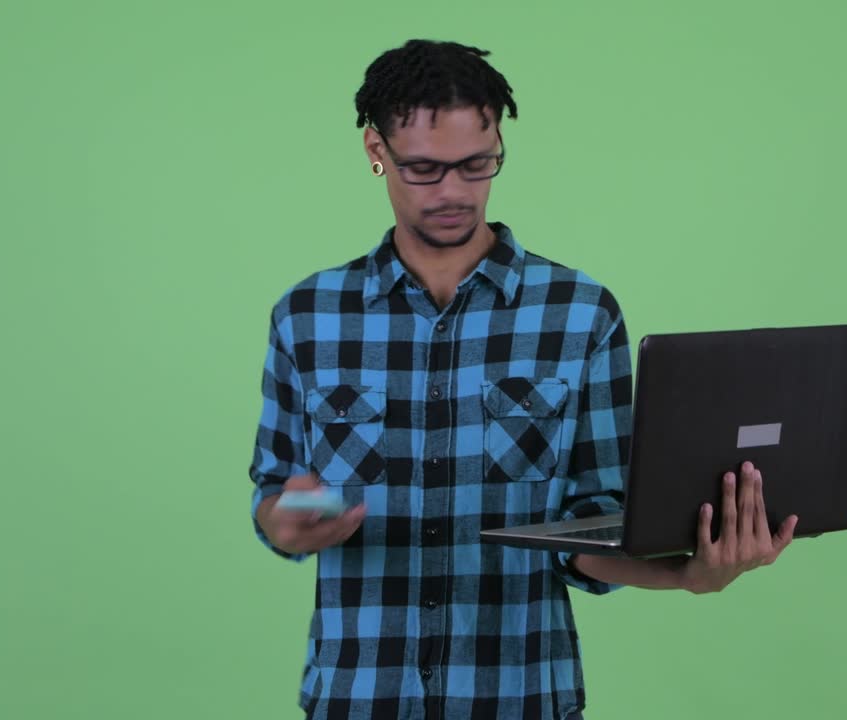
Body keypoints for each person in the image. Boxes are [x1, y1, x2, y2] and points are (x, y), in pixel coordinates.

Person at [248, 38, 798, 720]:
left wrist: (690, 575)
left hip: (523, 698)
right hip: (357, 697)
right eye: (423, 169)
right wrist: (290, 520)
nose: (453, 192)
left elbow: (593, 528)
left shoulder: (581, 313)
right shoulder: (306, 316)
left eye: (477, 164)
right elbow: (273, 499)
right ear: (375, 150)